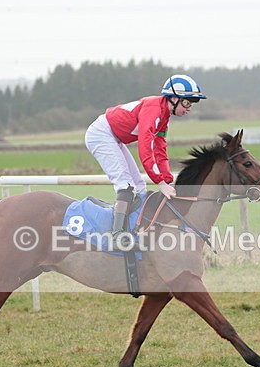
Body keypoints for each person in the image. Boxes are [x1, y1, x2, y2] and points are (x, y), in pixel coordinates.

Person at [84, 74, 207, 249]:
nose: (189, 108)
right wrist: (159, 182)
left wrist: (168, 180)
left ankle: (134, 230)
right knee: (126, 186)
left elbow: (160, 150)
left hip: (115, 137)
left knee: (139, 187)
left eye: (192, 104)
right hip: (101, 135)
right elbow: (146, 149)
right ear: (173, 98)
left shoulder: (164, 115)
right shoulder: (154, 110)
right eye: (187, 102)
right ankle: (117, 236)